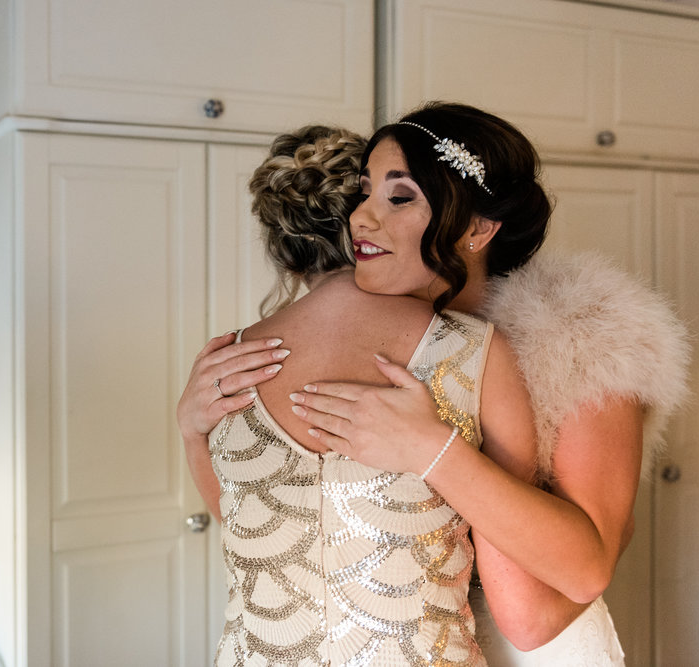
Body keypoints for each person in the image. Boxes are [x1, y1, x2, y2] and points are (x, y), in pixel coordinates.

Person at [180, 102, 690, 665]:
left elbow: (540, 609)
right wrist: (194, 430)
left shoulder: (576, 338)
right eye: (363, 195)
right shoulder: (372, 333)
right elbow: (279, 537)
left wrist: (435, 450)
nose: (361, 220)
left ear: (476, 227)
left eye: (399, 198)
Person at [179, 122, 543, 665]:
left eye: (397, 196)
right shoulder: (473, 351)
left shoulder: (226, 361)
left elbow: (247, 534)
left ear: (285, 253)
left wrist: (190, 432)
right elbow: (523, 596)